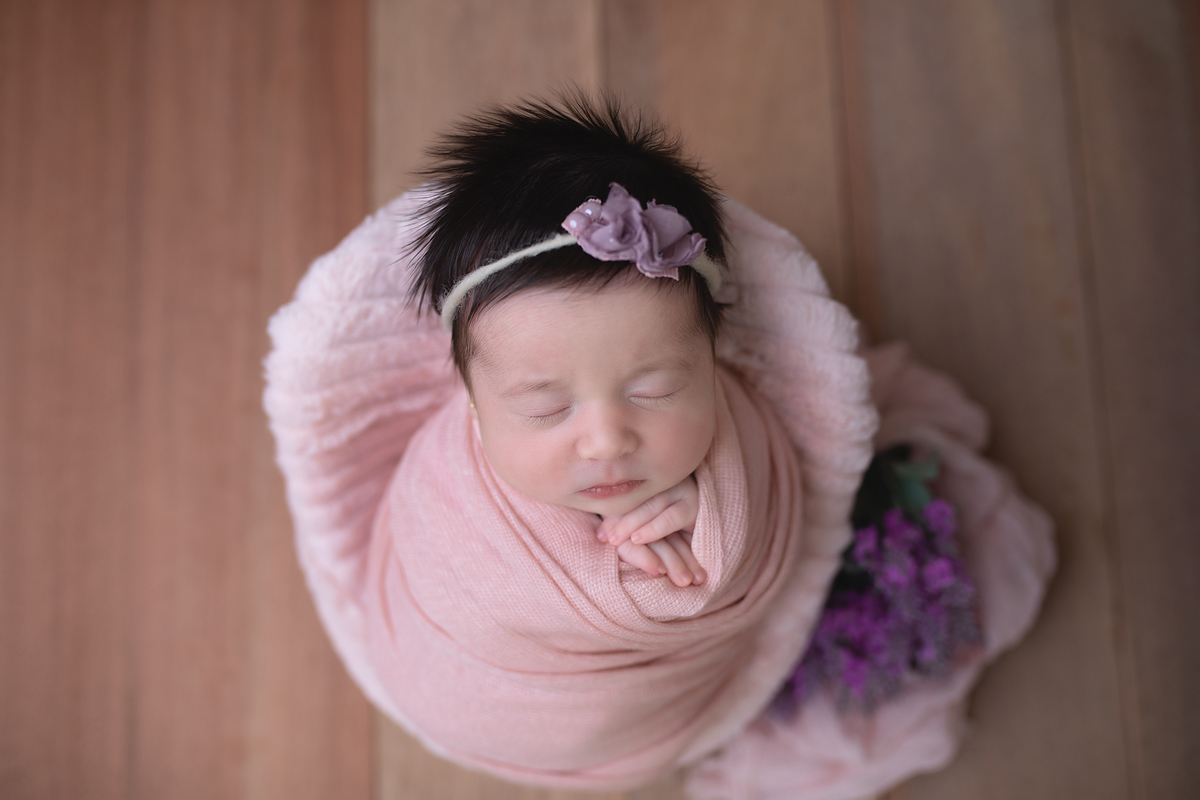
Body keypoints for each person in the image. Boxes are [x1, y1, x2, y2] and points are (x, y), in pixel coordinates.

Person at [263, 95, 1055, 797]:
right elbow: (431, 566)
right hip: (461, 681)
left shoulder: (742, 425)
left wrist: (719, 519)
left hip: (648, 710)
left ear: (716, 360)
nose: (607, 438)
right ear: (470, 401)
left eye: (654, 390)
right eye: (545, 406)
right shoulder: (445, 484)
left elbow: (789, 503)